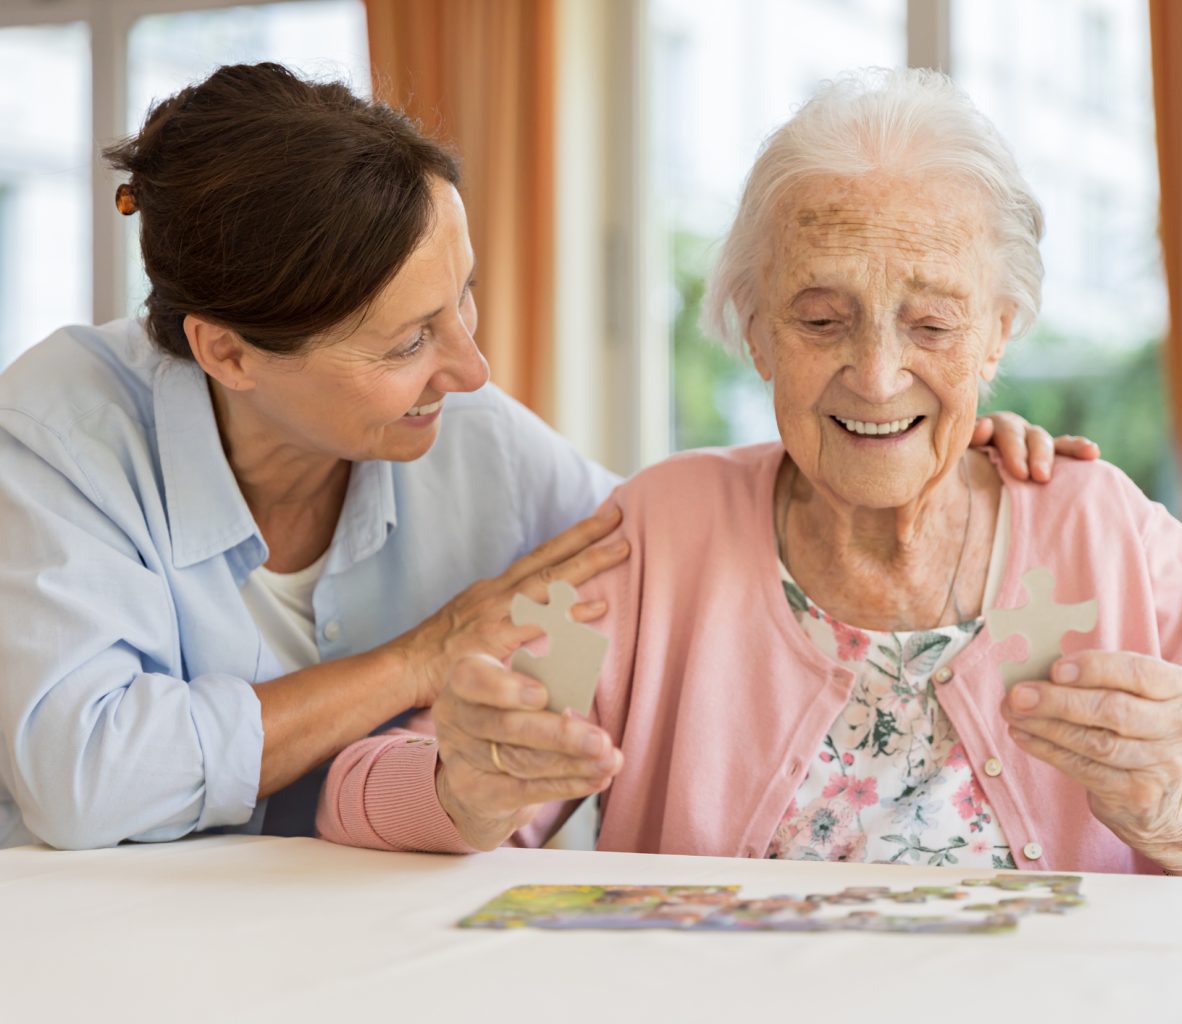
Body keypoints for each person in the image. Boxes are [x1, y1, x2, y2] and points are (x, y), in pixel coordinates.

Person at [320, 69, 1182, 882]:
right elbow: (358, 797)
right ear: (753, 330)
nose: (877, 376)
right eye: (822, 318)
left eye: (931, 320)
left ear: (999, 333)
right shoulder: (657, 539)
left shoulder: (1102, 537)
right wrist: (463, 788)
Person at [0, 63, 1078, 851]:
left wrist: (924, 450)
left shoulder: (468, 436)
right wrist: (416, 661)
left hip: (346, 935)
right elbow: (82, 778)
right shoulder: (58, 431)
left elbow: (673, 558)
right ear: (226, 351)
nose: (470, 367)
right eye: (408, 340)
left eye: (459, 299)